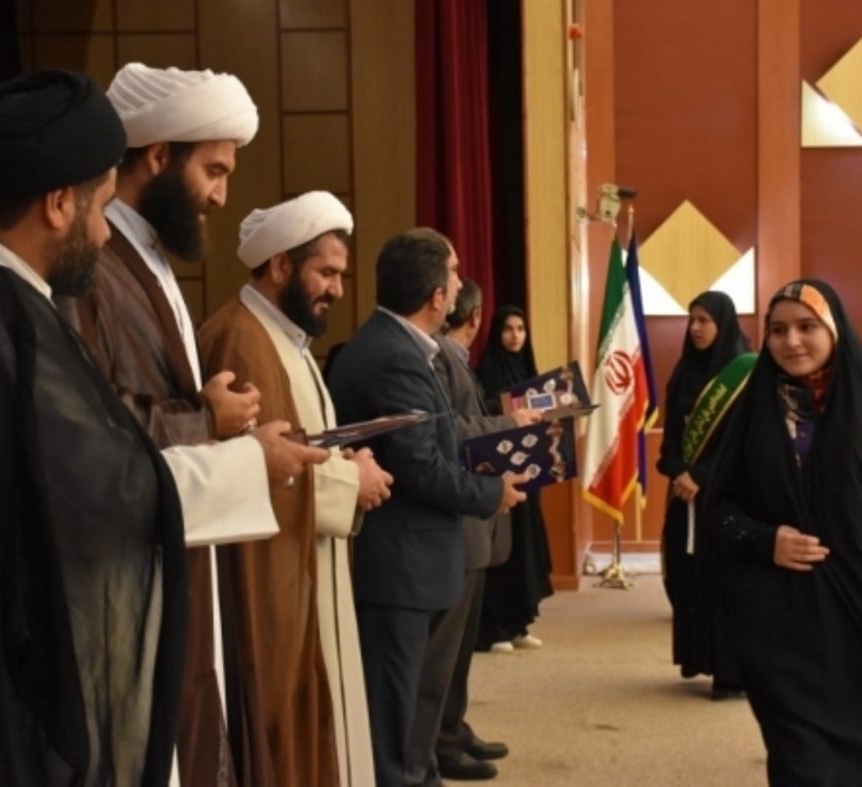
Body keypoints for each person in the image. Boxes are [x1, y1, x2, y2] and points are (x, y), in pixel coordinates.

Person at [0, 69, 326, 787]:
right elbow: (102, 483)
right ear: (58, 203)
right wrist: (251, 462)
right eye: (99, 206)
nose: (102, 230)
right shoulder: (4, 320)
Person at [54, 61, 268, 786]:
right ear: (158, 156)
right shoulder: (90, 264)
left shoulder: (145, 257)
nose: (222, 194)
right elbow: (87, 425)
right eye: (214, 171)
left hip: (176, 533)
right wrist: (206, 415)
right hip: (124, 560)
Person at [703, 279, 862, 786]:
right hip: (778, 628)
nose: (791, 341)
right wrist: (765, 540)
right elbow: (717, 509)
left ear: (835, 330)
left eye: (807, 326)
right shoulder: (751, 412)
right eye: (778, 330)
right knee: (802, 765)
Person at [199, 192, 395, 786]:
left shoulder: (287, 338)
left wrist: (346, 460)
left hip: (310, 562)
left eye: (340, 275)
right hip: (271, 583)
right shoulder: (241, 337)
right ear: (281, 265)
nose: (336, 289)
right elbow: (254, 466)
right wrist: (350, 481)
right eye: (325, 273)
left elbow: (301, 444)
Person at [326, 228, 527, 787]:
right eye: (455, 274)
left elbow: (439, 437)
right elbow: (422, 467)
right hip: (400, 567)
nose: (460, 284)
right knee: (399, 722)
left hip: (413, 564)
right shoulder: (393, 355)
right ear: (437, 296)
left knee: (416, 715)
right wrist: (492, 493)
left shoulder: (403, 347)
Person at [405, 278, 540, 785]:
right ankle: (438, 743)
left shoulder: (456, 358)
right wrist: (507, 426)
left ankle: (453, 728)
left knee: (459, 650)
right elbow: (450, 433)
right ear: (479, 316)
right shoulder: (438, 355)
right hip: (458, 517)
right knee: (442, 652)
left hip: (474, 521)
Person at [656, 291, 753, 700]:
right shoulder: (684, 371)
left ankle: (732, 672)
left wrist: (700, 475)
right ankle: (701, 657)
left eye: (704, 321)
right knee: (689, 577)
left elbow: (743, 443)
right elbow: (671, 438)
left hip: (727, 495)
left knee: (725, 581)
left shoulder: (746, 373)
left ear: (723, 323)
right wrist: (678, 470)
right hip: (685, 495)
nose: (695, 328)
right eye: (691, 320)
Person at [474, 305, 555, 652]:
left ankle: (519, 624)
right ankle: (494, 629)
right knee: (501, 551)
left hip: (529, 470)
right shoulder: (486, 369)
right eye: (508, 328)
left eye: (521, 329)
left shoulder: (529, 370)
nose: (515, 335)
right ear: (497, 332)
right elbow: (479, 414)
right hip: (500, 471)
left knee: (524, 549)